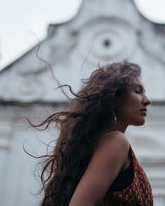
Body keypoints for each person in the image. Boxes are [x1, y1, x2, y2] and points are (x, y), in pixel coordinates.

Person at [33, 60, 153, 206]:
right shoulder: (116, 141)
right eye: (137, 91)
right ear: (114, 97)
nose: (148, 100)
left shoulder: (102, 143)